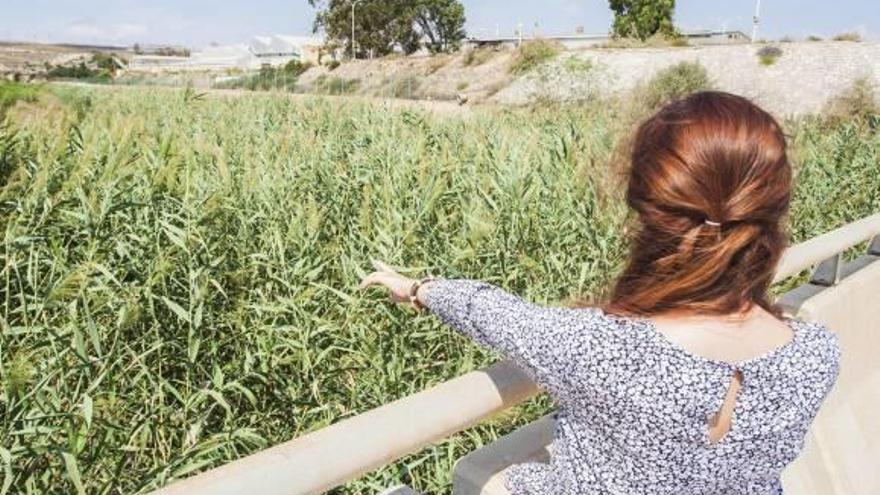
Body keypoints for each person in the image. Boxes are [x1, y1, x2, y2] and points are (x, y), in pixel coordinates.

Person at [358, 91, 841, 495]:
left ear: (645, 210)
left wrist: (420, 288)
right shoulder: (816, 355)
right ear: (770, 212)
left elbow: (495, 314)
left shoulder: (602, 348)